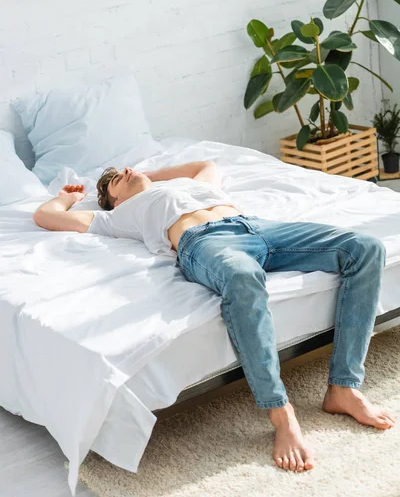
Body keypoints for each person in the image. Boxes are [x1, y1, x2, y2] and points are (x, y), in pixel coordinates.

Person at [33, 160, 396, 473]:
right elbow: (45, 216)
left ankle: (343, 387)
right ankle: (280, 413)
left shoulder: (188, 185)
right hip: (205, 243)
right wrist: (67, 198)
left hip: (258, 227)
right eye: (116, 179)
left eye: (127, 169)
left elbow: (205, 165)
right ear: (114, 200)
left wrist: (146, 173)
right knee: (242, 278)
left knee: (365, 248)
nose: (126, 172)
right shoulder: (118, 217)